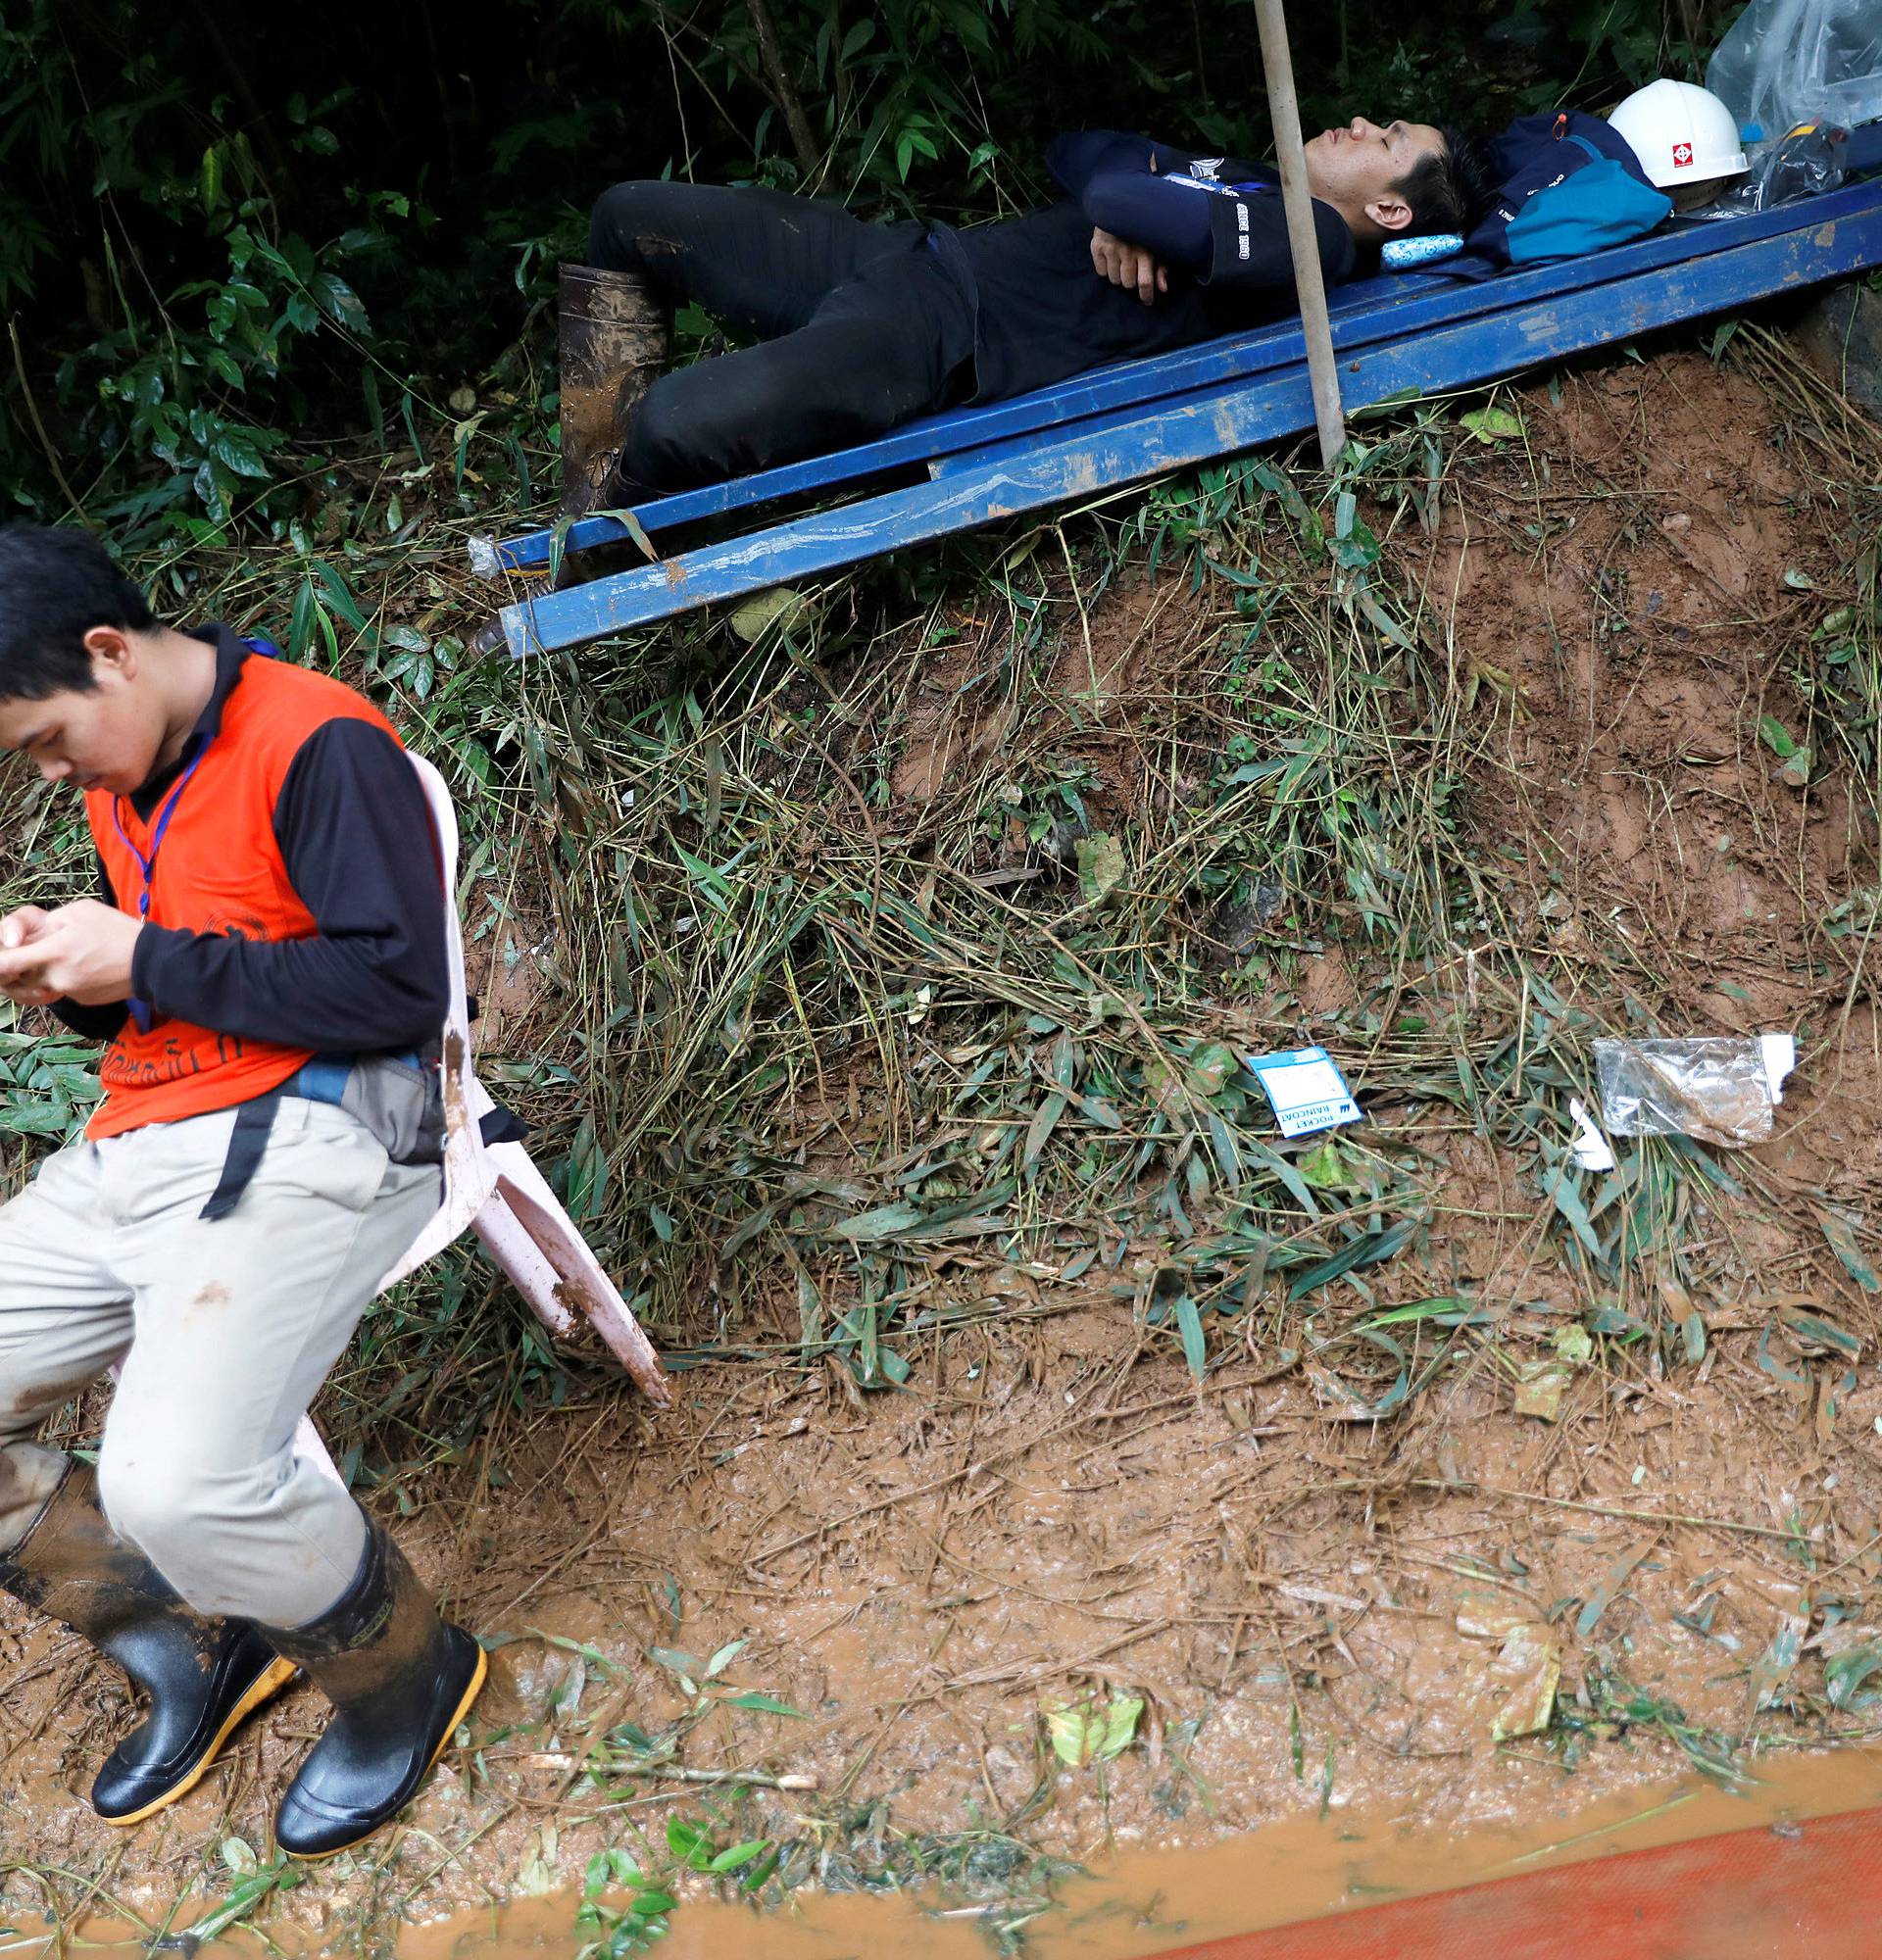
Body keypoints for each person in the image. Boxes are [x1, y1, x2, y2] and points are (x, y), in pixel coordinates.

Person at [0, 524, 485, 1857]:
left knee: (182, 1480)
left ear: (109, 655)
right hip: (145, 1144)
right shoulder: (124, 779)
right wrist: (82, 975)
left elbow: (398, 995)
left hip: (326, 1128)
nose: (49, 773)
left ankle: (403, 1673)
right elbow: (175, 990)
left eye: (44, 738)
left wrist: (142, 948)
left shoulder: (317, 743)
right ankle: (191, 1638)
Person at [556, 116, 1492, 511]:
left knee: (672, 426)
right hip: (896, 254)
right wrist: (1136, 194)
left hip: (936, 334)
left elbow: (1118, 191)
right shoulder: (1247, 183)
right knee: (627, 215)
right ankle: (581, 490)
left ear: (1393, 212)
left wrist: (1136, 201)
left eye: (1389, 140)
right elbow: (1083, 149)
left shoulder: (1313, 241)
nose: (1363, 126)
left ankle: (611, 547)